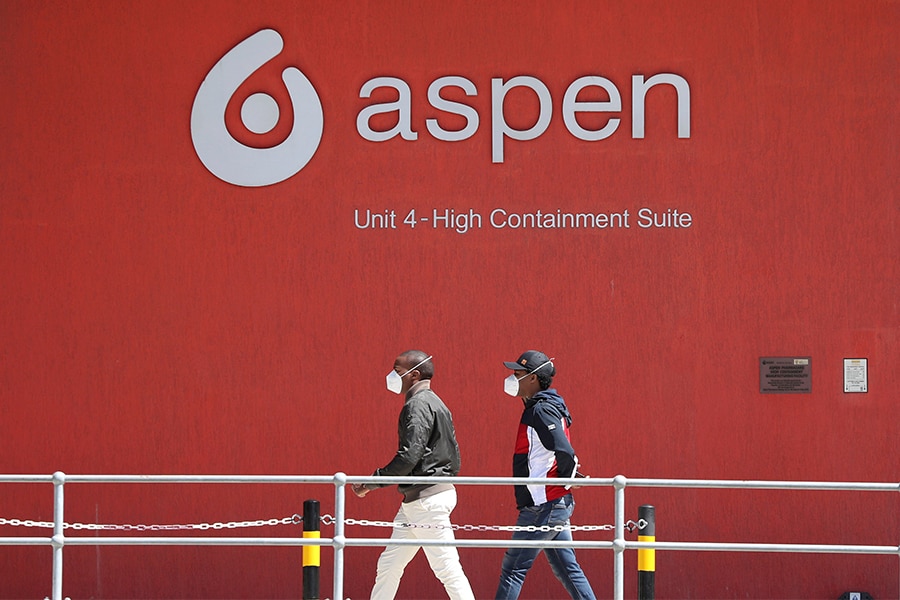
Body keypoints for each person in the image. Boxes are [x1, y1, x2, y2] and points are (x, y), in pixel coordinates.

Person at [352, 350, 474, 600]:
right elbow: (454, 455)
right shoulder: (436, 402)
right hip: (422, 499)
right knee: (389, 564)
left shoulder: (417, 406)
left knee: (447, 569)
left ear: (413, 375)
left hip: (425, 501)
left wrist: (371, 482)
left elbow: (408, 457)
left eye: (397, 371)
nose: (392, 376)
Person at [495, 350, 596, 600]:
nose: (512, 378)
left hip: (544, 505)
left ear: (533, 379)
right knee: (567, 569)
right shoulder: (544, 406)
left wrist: (569, 475)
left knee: (513, 569)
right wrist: (569, 476)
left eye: (517, 374)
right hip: (553, 502)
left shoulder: (541, 410)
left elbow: (564, 450)